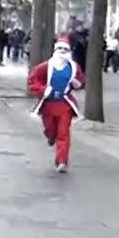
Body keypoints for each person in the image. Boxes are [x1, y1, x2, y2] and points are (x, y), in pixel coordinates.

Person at [28, 36, 84, 172]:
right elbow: (32, 81)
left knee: (63, 133)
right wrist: (42, 90)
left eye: (65, 49)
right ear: (55, 50)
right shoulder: (46, 66)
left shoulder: (73, 67)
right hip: (48, 104)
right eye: (59, 48)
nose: (62, 52)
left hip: (65, 104)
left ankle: (62, 161)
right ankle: (50, 136)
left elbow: (81, 81)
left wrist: (78, 84)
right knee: (50, 129)